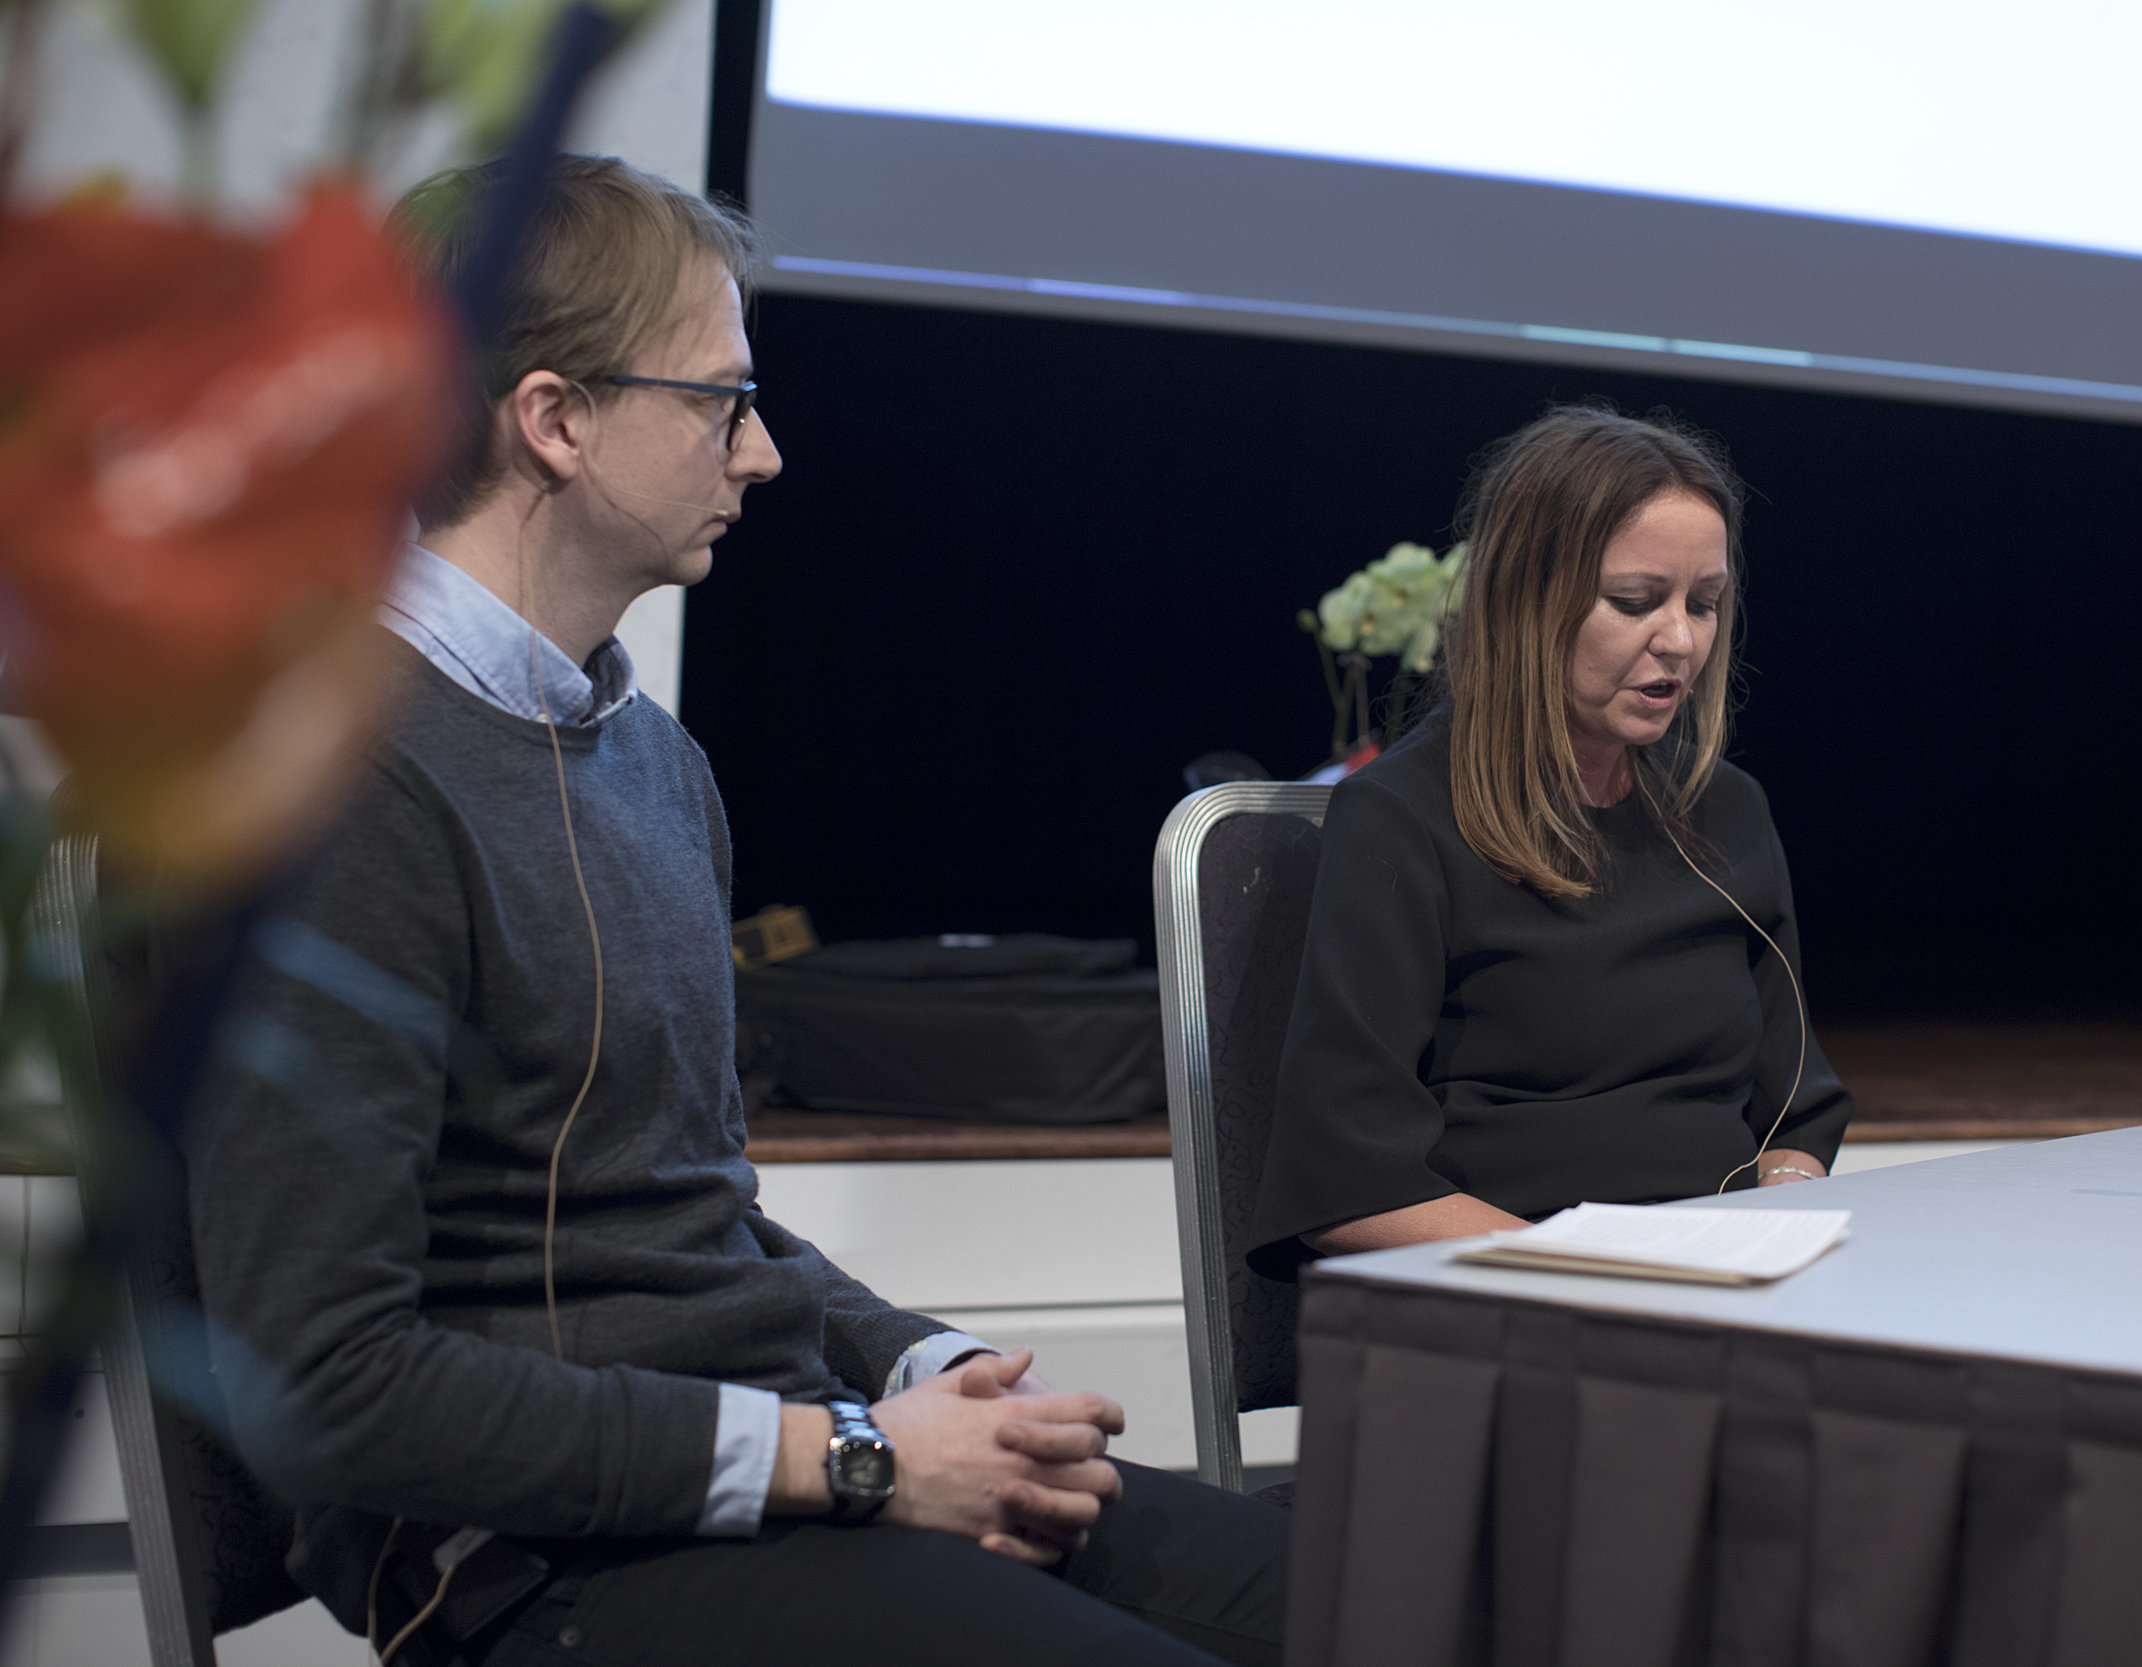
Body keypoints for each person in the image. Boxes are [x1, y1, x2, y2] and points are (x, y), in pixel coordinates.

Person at [186, 155, 1285, 1667]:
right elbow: (332, 1382)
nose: (761, 453)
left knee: (1383, 1595)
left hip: (784, 1468)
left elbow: (705, 1214)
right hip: (534, 1561)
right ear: (556, 418)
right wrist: (854, 1458)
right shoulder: (331, 779)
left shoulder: (651, 756)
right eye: (722, 402)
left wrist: (928, 1370)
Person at [1247, 405, 1851, 1275]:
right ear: (1528, 598)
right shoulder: (1401, 818)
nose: (1680, 640)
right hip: (1516, 1289)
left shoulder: (1726, 809)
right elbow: (1348, 1184)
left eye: (1705, 604)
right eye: (1636, 601)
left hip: (1712, 1283)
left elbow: (1793, 1107)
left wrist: (1784, 1204)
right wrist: (1589, 1274)